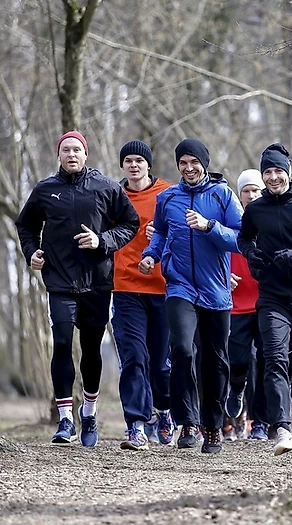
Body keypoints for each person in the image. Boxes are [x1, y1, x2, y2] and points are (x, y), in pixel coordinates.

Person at [15, 130, 139, 447]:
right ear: (59, 155)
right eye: (66, 150)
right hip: (59, 280)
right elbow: (25, 225)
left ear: (86, 155)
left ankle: (90, 412)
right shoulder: (45, 190)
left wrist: (103, 241)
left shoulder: (107, 187)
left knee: (91, 349)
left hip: (97, 280)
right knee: (60, 343)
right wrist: (32, 253)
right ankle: (65, 420)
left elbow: (130, 223)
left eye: (77, 150)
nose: (71, 155)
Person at [139, 138, 243, 454]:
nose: (188, 168)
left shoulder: (223, 195)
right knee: (182, 349)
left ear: (204, 164)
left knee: (215, 359)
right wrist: (150, 256)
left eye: (194, 162)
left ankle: (213, 428)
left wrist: (209, 225)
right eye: (183, 162)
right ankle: (188, 423)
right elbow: (159, 233)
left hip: (216, 291)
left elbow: (240, 239)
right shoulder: (168, 198)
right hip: (179, 285)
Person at [237, 143, 292, 455]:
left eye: (278, 171)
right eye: (268, 172)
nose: (273, 177)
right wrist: (251, 255)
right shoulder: (256, 209)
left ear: (288, 172)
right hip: (272, 296)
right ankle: (282, 430)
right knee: (274, 359)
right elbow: (243, 237)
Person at [112, 140, 175, 451]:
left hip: (163, 288)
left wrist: (164, 235)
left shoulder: (168, 193)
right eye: (128, 161)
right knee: (134, 357)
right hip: (125, 287)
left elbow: (186, 233)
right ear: (123, 165)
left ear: (149, 165)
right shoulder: (113, 195)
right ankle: (135, 424)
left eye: (139, 160)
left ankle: (163, 411)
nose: (134, 165)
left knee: (161, 364)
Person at [225, 169, 269, 441]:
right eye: (246, 191)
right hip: (236, 302)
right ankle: (237, 389)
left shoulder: (271, 218)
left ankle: (260, 422)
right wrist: (222, 275)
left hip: (266, 300)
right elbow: (217, 249)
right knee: (239, 361)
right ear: (239, 195)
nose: (251, 195)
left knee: (265, 362)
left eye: (255, 190)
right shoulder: (231, 221)